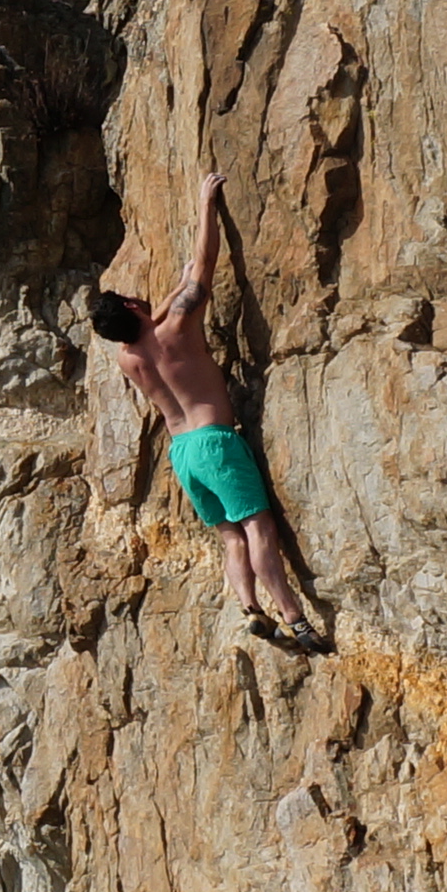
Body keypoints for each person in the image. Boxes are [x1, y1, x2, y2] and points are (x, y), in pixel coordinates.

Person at [93, 168, 326, 652]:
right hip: (216, 442)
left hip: (183, 453)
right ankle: (295, 617)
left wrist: (150, 308)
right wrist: (205, 205)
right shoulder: (177, 325)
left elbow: (143, 327)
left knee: (229, 536)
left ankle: (251, 609)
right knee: (258, 526)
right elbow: (205, 261)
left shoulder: (128, 358)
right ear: (134, 309)